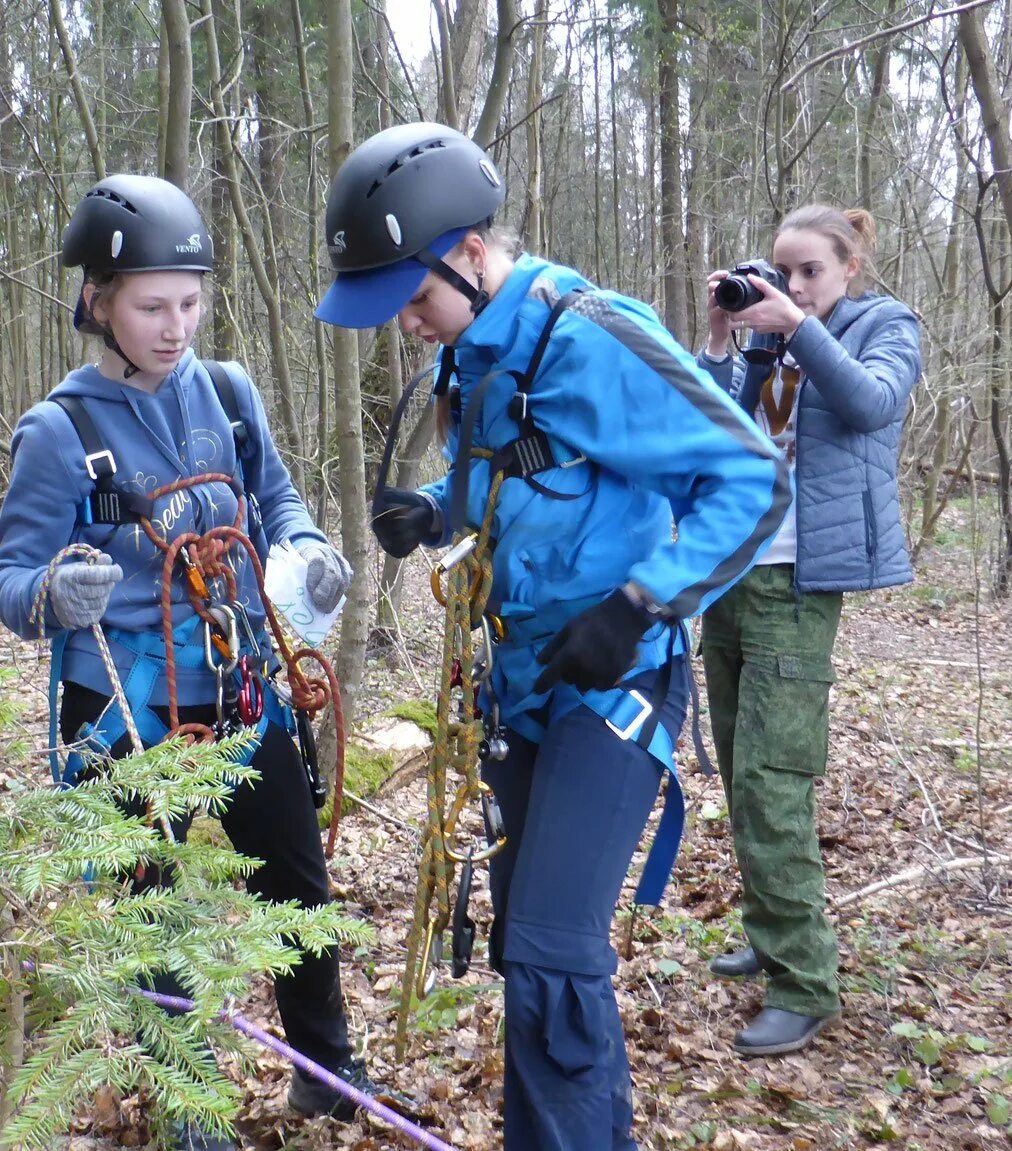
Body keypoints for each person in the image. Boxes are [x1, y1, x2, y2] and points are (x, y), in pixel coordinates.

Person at [316, 122, 789, 1151]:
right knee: (526, 950)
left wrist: (639, 603)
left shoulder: (588, 336)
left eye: (412, 296)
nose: (404, 323)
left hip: (613, 681)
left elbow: (750, 476)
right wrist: (441, 510)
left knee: (550, 948)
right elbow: (516, 473)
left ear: (471, 251)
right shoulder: (476, 354)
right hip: (523, 680)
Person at [0, 174, 380, 1150]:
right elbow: (6, 577)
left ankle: (324, 1071)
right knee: (147, 903)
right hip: (120, 704)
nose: (174, 326)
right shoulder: (58, 431)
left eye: (189, 302)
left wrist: (306, 553)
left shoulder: (230, 395)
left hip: (239, 684)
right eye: (151, 305)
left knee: (293, 877)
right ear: (98, 303)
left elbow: (276, 501)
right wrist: (49, 594)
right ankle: (187, 1101)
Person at [694, 205, 924, 1056]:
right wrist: (724, 338)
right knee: (735, 761)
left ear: (849, 267)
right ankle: (771, 932)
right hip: (733, 571)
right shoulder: (768, 337)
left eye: (809, 273)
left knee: (771, 775)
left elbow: (870, 403)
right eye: (780, 273)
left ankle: (804, 981)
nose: (791, 287)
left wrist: (798, 328)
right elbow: (707, 429)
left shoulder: (885, 326)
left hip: (800, 581)